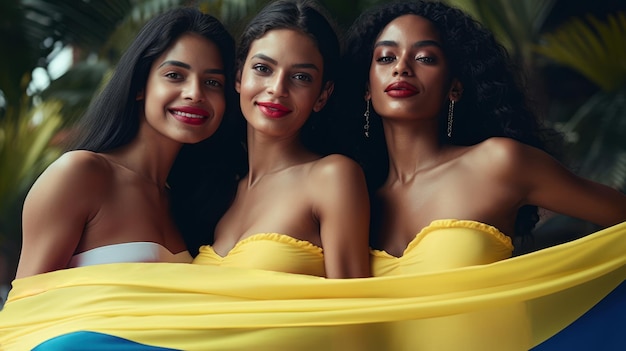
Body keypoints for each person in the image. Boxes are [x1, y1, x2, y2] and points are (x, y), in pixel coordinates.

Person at [340, 0, 626, 274]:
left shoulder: (499, 162)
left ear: (455, 87)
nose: (401, 67)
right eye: (386, 57)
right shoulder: (354, 198)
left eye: (426, 58)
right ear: (367, 87)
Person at [14, 7, 236, 278]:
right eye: (175, 75)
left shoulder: (192, 202)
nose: (195, 93)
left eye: (213, 82)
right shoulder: (81, 173)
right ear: (140, 85)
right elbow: (27, 304)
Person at [192, 0, 371, 278]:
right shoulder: (222, 191)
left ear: (322, 95)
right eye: (263, 68)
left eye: (301, 77)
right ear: (239, 77)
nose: (277, 89)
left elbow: (353, 304)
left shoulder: (332, 176)